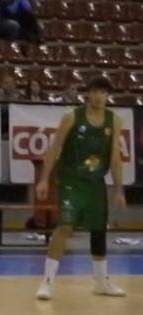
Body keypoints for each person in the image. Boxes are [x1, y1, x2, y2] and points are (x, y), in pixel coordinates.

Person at [34, 76, 127, 300]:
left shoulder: (114, 120)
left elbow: (115, 158)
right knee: (65, 227)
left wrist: (119, 189)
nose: (99, 96)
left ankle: (101, 282)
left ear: (107, 96)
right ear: (88, 94)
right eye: (95, 92)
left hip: (95, 183)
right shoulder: (71, 117)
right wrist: (44, 179)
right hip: (70, 181)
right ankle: (46, 282)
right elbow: (54, 149)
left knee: (99, 230)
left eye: (103, 93)